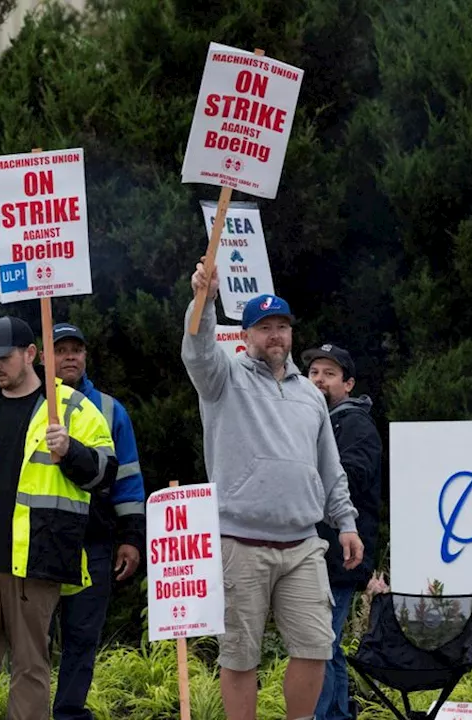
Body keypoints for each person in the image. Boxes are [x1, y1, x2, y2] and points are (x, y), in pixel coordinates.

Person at [181, 260, 364, 720]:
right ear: (245, 336)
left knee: (317, 645)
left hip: (303, 543)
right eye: (264, 327)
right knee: (240, 654)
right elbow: (198, 351)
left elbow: (329, 466)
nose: (275, 335)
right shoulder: (223, 380)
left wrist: (345, 522)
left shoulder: (310, 395)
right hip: (240, 543)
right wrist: (204, 300)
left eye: (282, 326)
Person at [0, 316, 117, 720]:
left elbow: (106, 473)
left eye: (4, 356)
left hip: (36, 562)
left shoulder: (72, 407)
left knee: (31, 671)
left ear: (30, 354)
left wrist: (72, 451)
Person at [48, 322, 146, 720]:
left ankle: (69, 714)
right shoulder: (26, 405)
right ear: (43, 356)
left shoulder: (109, 410)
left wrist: (132, 538)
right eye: (61, 349)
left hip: (93, 541)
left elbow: (129, 479)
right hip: (36, 542)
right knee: (31, 639)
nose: (70, 356)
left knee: (82, 636)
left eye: (77, 349)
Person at [302, 343, 384, 720]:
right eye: (314, 372)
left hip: (340, 555)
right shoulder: (309, 419)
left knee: (321, 643)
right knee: (326, 645)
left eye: (329, 374)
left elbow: (350, 477)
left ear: (348, 384)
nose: (319, 380)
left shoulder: (355, 424)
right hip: (314, 550)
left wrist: (301, 476)